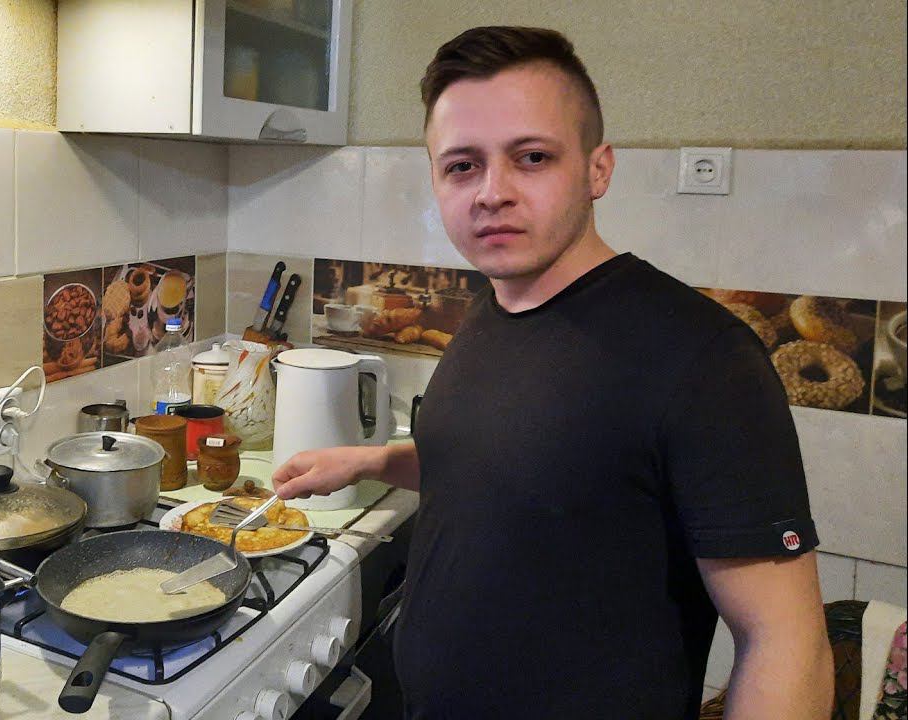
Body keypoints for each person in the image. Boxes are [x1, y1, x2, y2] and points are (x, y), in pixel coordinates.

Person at [272, 27, 833, 719]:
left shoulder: (703, 359)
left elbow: (785, 642)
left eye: (531, 157)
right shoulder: (494, 307)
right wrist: (368, 461)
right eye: (462, 166)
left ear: (598, 169)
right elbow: (519, 466)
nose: (492, 193)